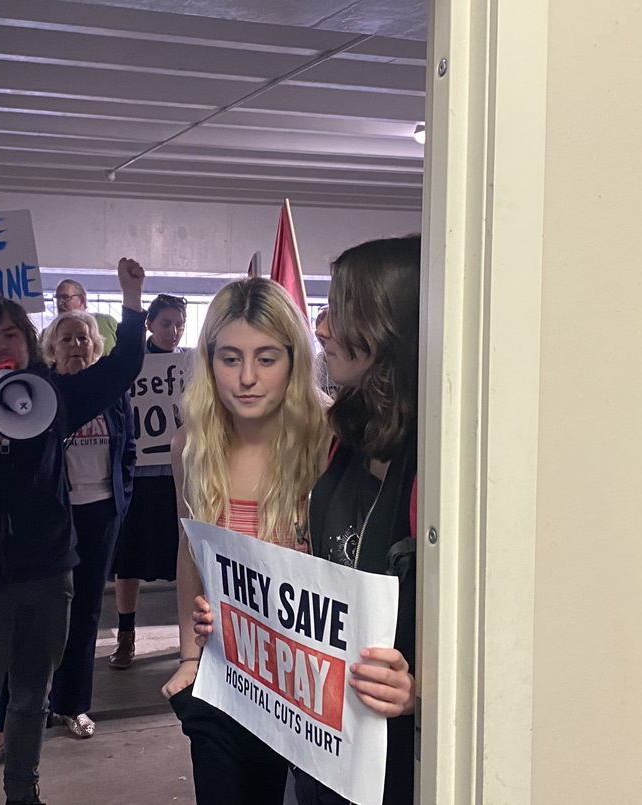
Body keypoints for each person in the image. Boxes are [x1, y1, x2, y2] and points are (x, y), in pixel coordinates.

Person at [193, 236, 423, 804]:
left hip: (375, 746)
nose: (323, 327)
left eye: (340, 313)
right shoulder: (351, 436)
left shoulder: (426, 464)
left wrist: (425, 687)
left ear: (384, 329)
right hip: (309, 716)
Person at [0, 259, 147, 805]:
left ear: (28, 341)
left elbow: (121, 368)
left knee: (32, 694)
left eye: (11, 334)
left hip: (50, 571)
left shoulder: (55, 394)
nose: (1, 345)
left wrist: (132, 301)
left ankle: (22, 792)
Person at [161, 278, 331, 805]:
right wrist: (190, 658)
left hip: (313, 681)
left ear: (295, 359)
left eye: (267, 358)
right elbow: (189, 551)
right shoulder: (191, 445)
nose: (248, 378)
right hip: (227, 673)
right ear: (209, 361)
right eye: (231, 358)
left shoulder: (330, 438)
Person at [0, 310, 137, 769]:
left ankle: (72, 704)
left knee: (84, 614)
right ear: (51, 348)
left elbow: (128, 448)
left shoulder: (110, 394)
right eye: (67, 338)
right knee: (26, 630)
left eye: (83, 337)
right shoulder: (39, 393)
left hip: (100, 512)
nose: (77, 345)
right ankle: (7, 725)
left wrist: (121, 498)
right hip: (49, 524)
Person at [108, 293, 188, 668]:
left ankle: (189, 638)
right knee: (130, 556)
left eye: (179, 324)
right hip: (138, 471)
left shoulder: (191, 365)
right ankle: (126, 636)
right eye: (166, 323)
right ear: (150, 324)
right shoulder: (131, 362)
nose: (173, 331)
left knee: (185, 555)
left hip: (179, 472)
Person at [44, 278, 119, 355]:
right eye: (57, 298)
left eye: (65, 297)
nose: (60, 303)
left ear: (82, 300)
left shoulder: (107, 322)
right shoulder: (48, 333)